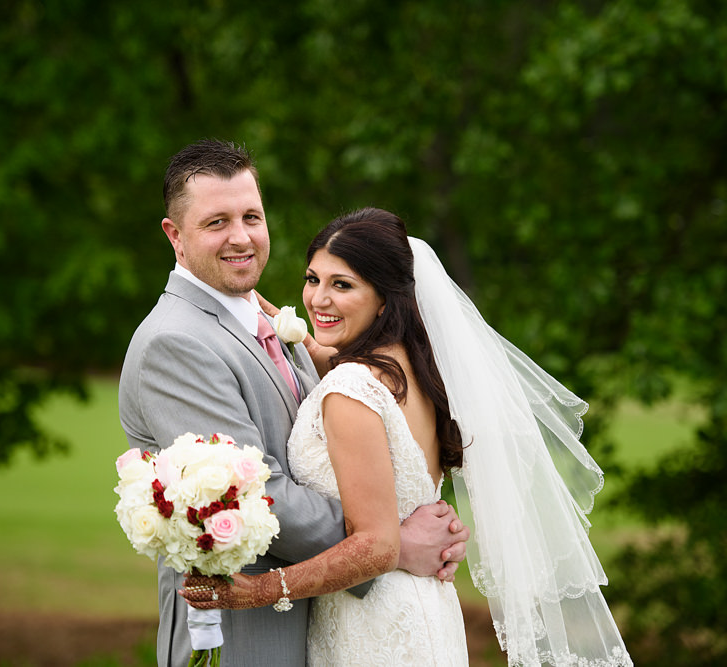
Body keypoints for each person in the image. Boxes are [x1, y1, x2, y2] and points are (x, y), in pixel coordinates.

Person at [183, 208, 634, 667]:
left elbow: (377, 545)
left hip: (373, 627)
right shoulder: (416, 369)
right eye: (313, 278)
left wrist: (260, 590)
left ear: (384, 299)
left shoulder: (351, 391)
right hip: (425, 611)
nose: (318, 299)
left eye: (343, 285)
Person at [118, 142, 468, 667]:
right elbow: (258, 495)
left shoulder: (269, 322)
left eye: (251, 217)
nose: (241, 237)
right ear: (175, 236)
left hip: (324, 622)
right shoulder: (176, 343)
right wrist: (392, 543)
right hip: (242, 636)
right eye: (217, 222)